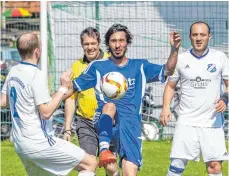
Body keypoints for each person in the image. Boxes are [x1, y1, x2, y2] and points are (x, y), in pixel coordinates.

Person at [64, 23, 181, 175]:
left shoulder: (140, 66)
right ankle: (104, 148)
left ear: (127, 42)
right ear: (107, 44)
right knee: (110, 107)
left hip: (130, 125)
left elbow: (168, 70)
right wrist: (50, 102)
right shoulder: (98, 67)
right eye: (113, 41)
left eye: (121, 40)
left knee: (127, 172)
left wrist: (174, 49)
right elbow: (72, 88)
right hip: (106, 119)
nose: (117, 45)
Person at [0, 32, 97, 176]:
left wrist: (60, 94)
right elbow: (46, 112)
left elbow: (3, 102)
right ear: (37, 51)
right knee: (90, 163)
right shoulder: (35, 74)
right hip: (39, 142)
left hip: (20, 144)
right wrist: (63, 87)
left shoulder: (14, 71)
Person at [160, 21, 229, 176]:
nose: (199, 38)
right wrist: (165, 107)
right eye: (195, 35)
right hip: (186, 121)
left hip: (212, 121)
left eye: (202, 35)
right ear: (190, 37)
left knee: (214, 165)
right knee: (177, 164)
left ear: (209, 37)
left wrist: (224, 98)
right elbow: (170, 86)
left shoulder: (219, 57)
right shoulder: (181, 59)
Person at [63, 27, 119, 176]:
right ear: (82, 45)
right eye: (86, 44)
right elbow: (70, 98)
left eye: (93, 43)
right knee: (87, 164)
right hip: (85, 122)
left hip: (107, 120)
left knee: (110, 166)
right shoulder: (76, 66)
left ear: (99, 43)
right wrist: (67, 128)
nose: (90, 47)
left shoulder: (111, 62)